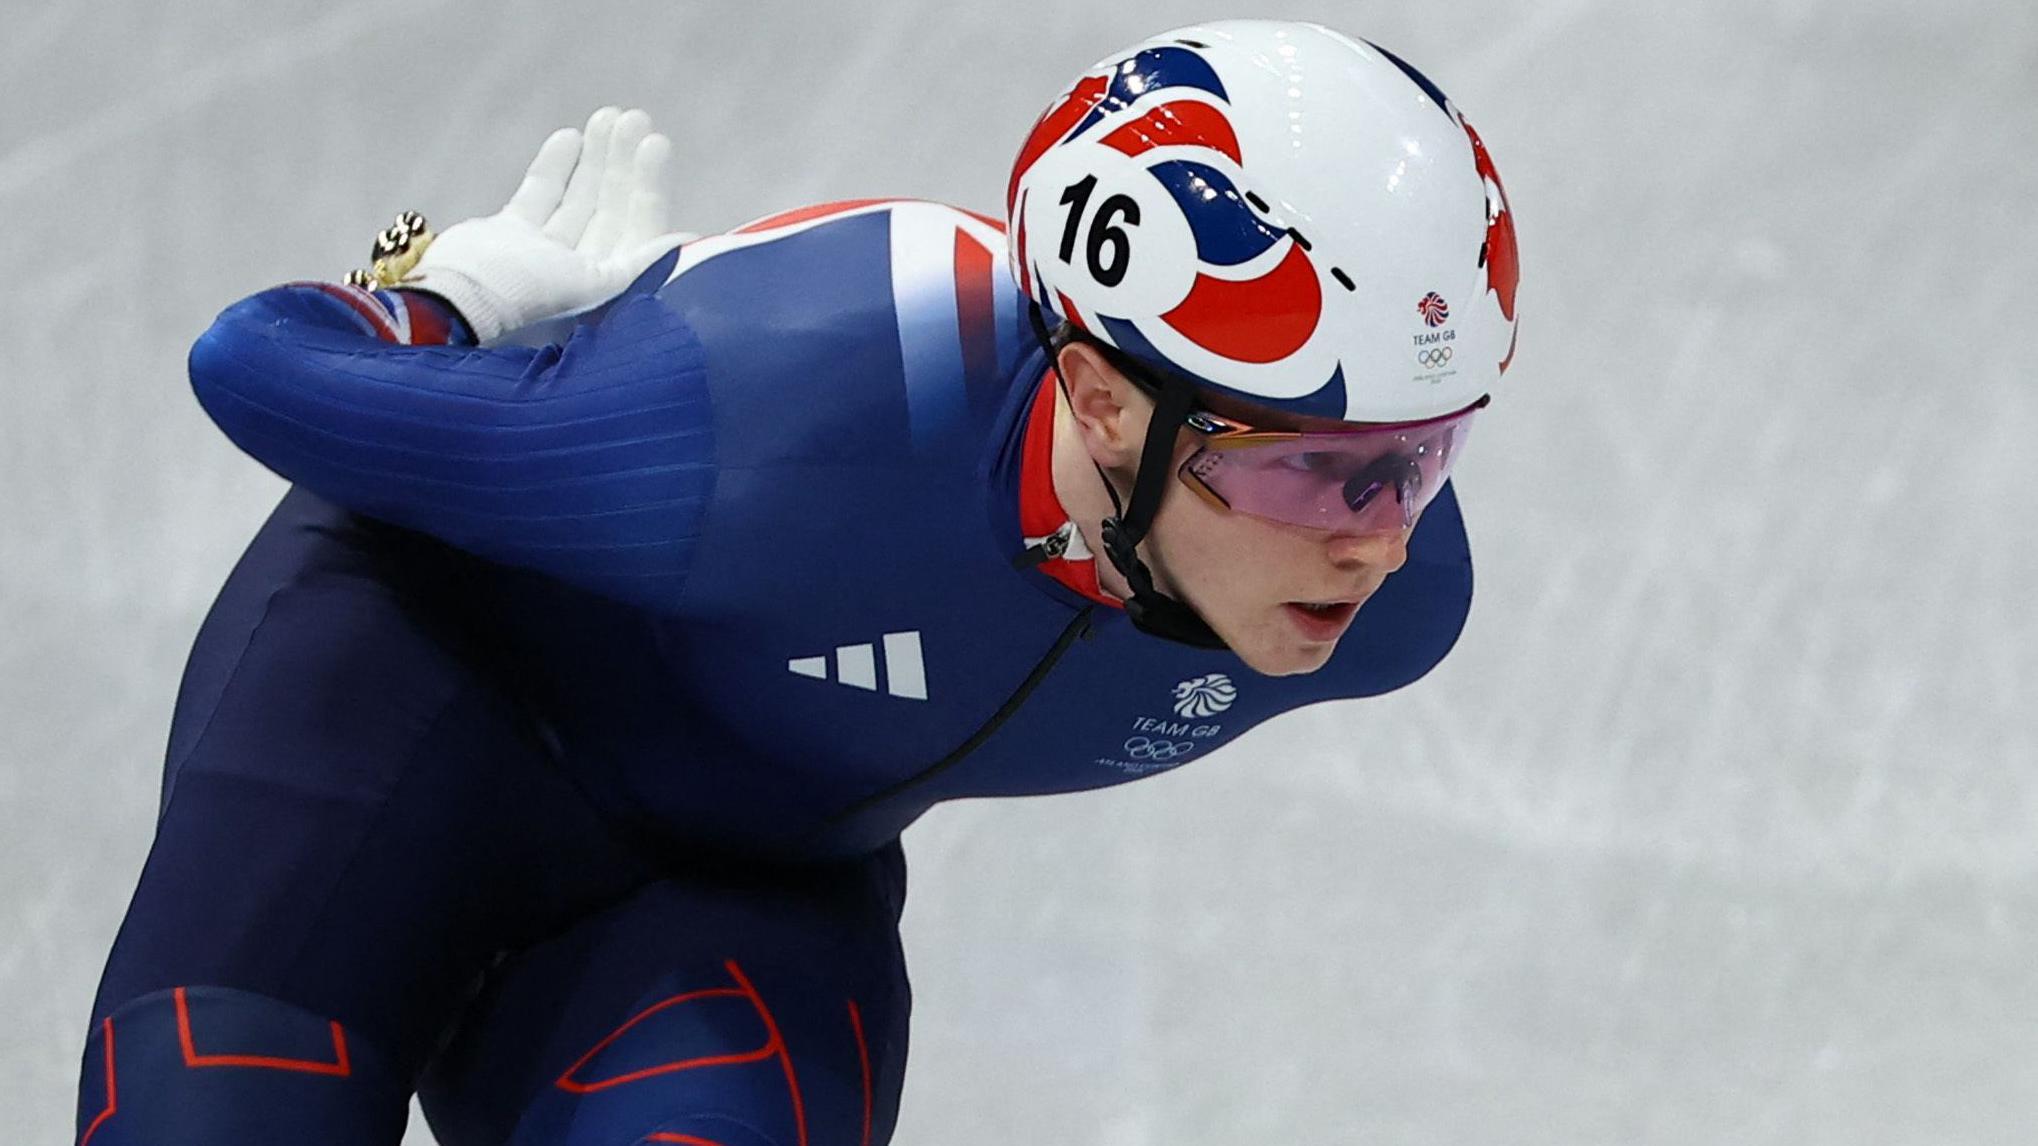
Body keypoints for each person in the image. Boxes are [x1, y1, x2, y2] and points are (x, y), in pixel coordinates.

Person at [76, 19, 1520, 1146]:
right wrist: (450, 297)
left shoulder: (1388, 607)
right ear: (1101, 402)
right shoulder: (785, 407)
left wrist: (1332, 468)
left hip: (727, 891)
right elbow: (256, 361)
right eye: (1311, 467)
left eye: (1425, 454)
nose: (1378, 538)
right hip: (387, 751)